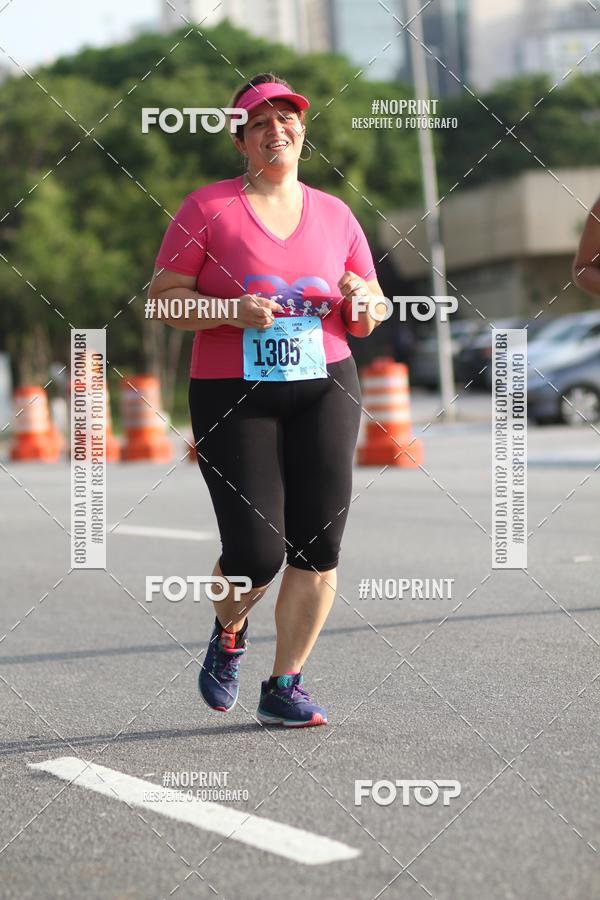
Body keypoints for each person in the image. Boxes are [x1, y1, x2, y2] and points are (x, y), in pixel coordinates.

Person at [148, 72, 385, 727]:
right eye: (259, 123)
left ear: (303, 132)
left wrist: (366, 303)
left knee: (319, 545)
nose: (275, 130)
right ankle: (228, 633)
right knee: (255, 553)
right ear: (241, 141)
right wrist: (229, 309)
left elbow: (369, 306)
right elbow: (162, 299)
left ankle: (286, 684)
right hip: (234, 392)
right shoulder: (207, 208)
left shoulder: (336, 214)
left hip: (326, 385)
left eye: (287, 119)